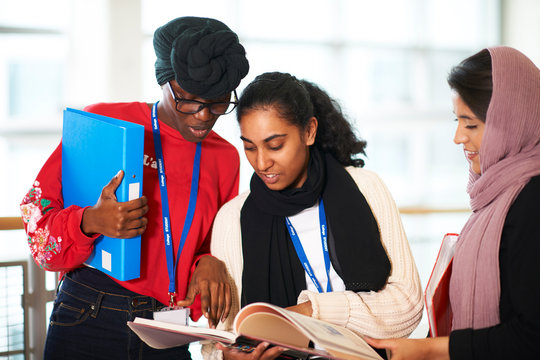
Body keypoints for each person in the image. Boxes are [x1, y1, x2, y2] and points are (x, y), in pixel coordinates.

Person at [19, 16, 249, 359]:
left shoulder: (225, 158)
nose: (203, 116)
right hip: (89, 311)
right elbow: (35, 217)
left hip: (168, 326)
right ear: (164, 83)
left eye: (217, 104)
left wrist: (209, 261)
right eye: (189, 100)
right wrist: (90, 222)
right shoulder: (105, 123)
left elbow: (214, 241)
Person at [201, 72, 423, 359]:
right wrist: (225, 357)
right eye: (249, 146)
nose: (261, 162)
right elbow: (221, 338)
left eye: (275, 145)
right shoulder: (232, 219)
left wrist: (311, 312)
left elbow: (407, 306)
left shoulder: (366, 188)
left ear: (309, 131)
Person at [366, 46, 540, 359]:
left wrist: (431, 350)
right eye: (457, 121)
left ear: (512, 121)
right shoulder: (494, 195)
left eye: (470, 124)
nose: (458, 137)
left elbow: (532, 337)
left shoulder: (532, 202)